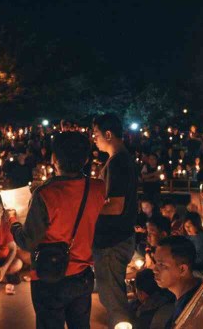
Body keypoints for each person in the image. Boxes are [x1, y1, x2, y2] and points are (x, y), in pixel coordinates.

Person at [8, 131, 107, 329]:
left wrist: (13, 221)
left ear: (54, 159)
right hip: (83, 276)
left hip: (49, 277)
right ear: (86, 159)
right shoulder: (98, 188)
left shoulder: (45, 194)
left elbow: (28, 241)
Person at [92, 113, 138, 328]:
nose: (94, 138)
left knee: (113, 297)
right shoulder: (120, 160)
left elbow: (116, 205)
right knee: (111, 292)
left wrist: (87, 209)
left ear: (108, 134)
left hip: (113, 240)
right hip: (119, 236)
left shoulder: (118, 163)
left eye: (96, 134)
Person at [153, 236, 201, 329]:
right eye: (156, 263)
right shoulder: (195, 289)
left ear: (182, 269)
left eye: (162, 264)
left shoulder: (188, 313)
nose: (154, 269)